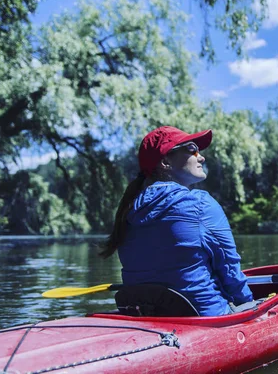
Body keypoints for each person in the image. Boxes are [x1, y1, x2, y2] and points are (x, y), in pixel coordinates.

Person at [100, 125, 254, 316]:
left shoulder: (128, 211)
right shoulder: (200, 204)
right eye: (192, 149)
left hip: (147, 316)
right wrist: (251, 307)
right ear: (165, 162)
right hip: (206, 316)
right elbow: (230, 273)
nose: (201, 156)